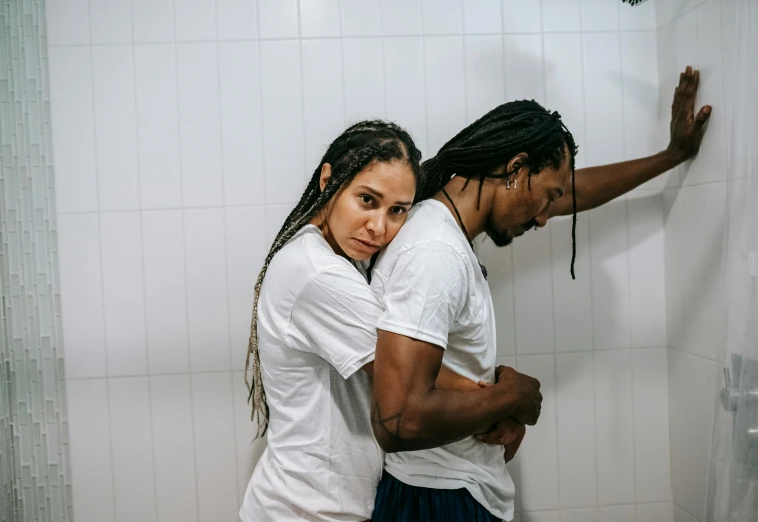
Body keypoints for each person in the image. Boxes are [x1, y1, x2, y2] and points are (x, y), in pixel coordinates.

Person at [368, 67, 711, 522]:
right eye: (547, 197)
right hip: (437, 497)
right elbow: (399, 420)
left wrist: (672, 156)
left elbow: (574, 191)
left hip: (446, 489)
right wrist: (512, 396)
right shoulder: (435, 253)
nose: (547, 217)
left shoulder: (440, 228)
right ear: (515, 170)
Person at [239, 120, 534, 522]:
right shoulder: (316, 273)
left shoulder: (343, 259)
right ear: (329, 181)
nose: (379, 227)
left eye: (397, 210)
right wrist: (509, 397)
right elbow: (410, 374)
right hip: (302, 511)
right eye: (367, 200)